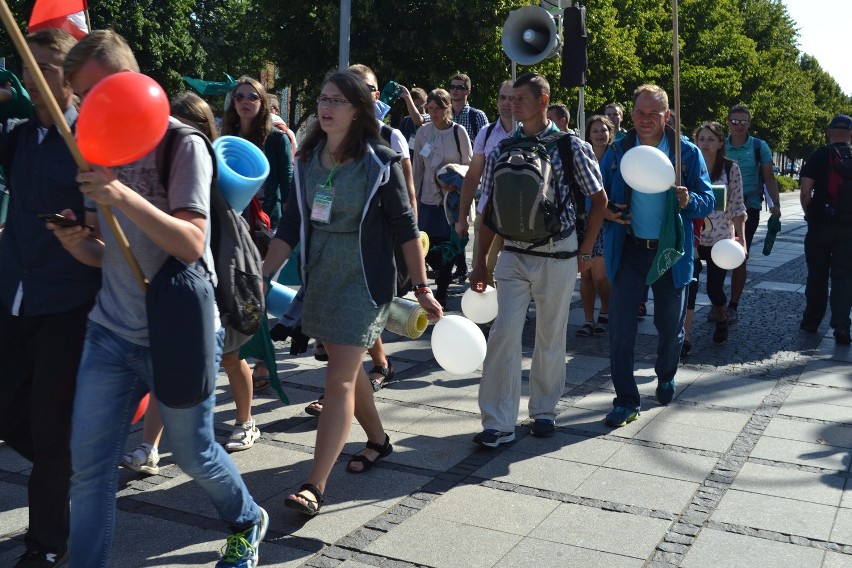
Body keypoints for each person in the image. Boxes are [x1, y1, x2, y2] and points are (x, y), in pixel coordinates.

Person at [54, 30, 267, 567]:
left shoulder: (181, 144)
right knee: (89, 471)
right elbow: (114, 257)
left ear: (126, 84)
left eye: (91, 92)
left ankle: (246, 517)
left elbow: (191, 242)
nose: (83, 108)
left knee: (193, 453)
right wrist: (80, 245)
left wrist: (119, 193)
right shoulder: (94, 144)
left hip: (177, 333)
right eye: (78, 96)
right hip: (111, 332)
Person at [262, 71, 442, 516]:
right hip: (321, 277)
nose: (326, 107)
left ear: (359, 108)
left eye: (338, 100)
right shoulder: (306, 157)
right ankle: (379, 441)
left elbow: (405, 227)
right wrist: (261, 275)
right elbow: (290, 226)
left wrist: (420, 286)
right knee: (349, 365)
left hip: (365, 280)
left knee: (338, 376)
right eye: (323, 98)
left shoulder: (379, 161)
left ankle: (314, 485)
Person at [0, 29, 101, 568]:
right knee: (14, 418)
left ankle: (45, 544)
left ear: (72, 74)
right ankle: (70, 472)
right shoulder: (16, 134)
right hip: (11, 295)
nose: (35, 78)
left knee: (49, 425)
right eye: (28, 65)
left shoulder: (91, 140)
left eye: (47, 67)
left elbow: (110, 230)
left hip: (67, 304)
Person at [120, 92, 263, 473]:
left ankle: (245, 422)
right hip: (175, 280)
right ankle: (149, 446)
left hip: (215, 277)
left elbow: (222, 233)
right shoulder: (159, 166)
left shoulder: (212, 173)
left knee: (232, 357)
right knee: (164, 362)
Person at [469, 73, 607, 447]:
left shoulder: (570, 147)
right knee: (502, 335)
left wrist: (586, 250)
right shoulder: (502, 147)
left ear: (543, 101)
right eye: (509, 99)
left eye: (520, 99)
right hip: (513, 254)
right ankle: (498, 422)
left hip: (558, 254)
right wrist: (479, 262)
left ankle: (544, 411)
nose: (512, 106)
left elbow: (599, 201)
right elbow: (489, 213)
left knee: (550, 336)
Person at [600, 84, 714, 427]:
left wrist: (689, 200)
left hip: (670, 253)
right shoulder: (619, 149)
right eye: (639, 112)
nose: (645, 119)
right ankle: (626, 400)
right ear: (630, 114)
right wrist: (608, 212)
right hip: (630, 249)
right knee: (620, 329)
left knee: (670, 329)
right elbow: (596, 194)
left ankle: (666, 373)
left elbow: (709, 200)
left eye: (653, 113)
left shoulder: (686, 153)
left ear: (667, 116)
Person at [221, 76, 294, 392]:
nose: (245, 101)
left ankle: (263, 360)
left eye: (253, 96)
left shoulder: (276, 139)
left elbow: (287, 186)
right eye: (239, 97)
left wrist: (292, 231)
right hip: (234, 227)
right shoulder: (228, 136)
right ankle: (246, 354)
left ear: (263, 103)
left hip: (267, 229)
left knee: (258, 293)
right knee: (241, 295)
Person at [683, 121, 746, 351]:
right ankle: (685, 337)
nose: (706, 144)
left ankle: (722, 318)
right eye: (701, 139)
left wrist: (742, 239)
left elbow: (738, 207)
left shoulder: (731, 169)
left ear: (721, 143)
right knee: (690, 285)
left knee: (714, 290)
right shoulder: (689, 166)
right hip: (694, 238)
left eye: (711, 139)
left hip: (720, 241)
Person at [413, 88, 473, 307]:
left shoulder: (458, 133)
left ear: (448, 109)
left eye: (438, 109)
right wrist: (413, 199)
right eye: (430, 108)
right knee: (427, 247)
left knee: (449, 246)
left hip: (451, 200)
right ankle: (435, 278)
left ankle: (443, 291)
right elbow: (417, 167)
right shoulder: (423, 133)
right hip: (428, 200)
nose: (434, 113)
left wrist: (454, 179)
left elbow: (469, 166)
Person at [724, 104, 781, 324]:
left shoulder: (759, 146)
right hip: (720, 207)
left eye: (743, 122)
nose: (738, 126)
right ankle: (718, 301)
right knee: (714, 254)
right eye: (734, 121)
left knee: (739, 255)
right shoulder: (721, 144)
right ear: (728, 122)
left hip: (749, 207)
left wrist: (775, 204)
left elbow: (769, 178)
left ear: (749, 123)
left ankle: (733, 305)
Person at [799, 114, 852, 345]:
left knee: (817, 274)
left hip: (820, 224)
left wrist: (809, 211)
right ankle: (841, 324)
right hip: (849, 228)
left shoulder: (818, 156)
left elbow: (805, 192)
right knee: (844, 276)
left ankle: (812, 321)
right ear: (851, 134)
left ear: (829, 132)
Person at [456, 80, 514, 288]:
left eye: (512, 98)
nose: (506, 103)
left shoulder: (528, 133)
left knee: (516, 272)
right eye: (502, 98)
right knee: (482, 270)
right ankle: (488, 317)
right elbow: (472, 177)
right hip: (488, 211)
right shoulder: (486, 133)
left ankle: (513, 314)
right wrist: (462, 218)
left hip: (522, 215)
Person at [575, 114, 614, 338]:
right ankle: (588, 319)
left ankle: (606, 312)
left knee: (601, 276)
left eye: (604, 130)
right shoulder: (582, 158)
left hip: (606, 224)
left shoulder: (616, 159)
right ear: (588, 135)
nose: (600, 134)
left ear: (610, 133)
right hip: (584, 222)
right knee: (586, 275)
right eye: (595, 130)